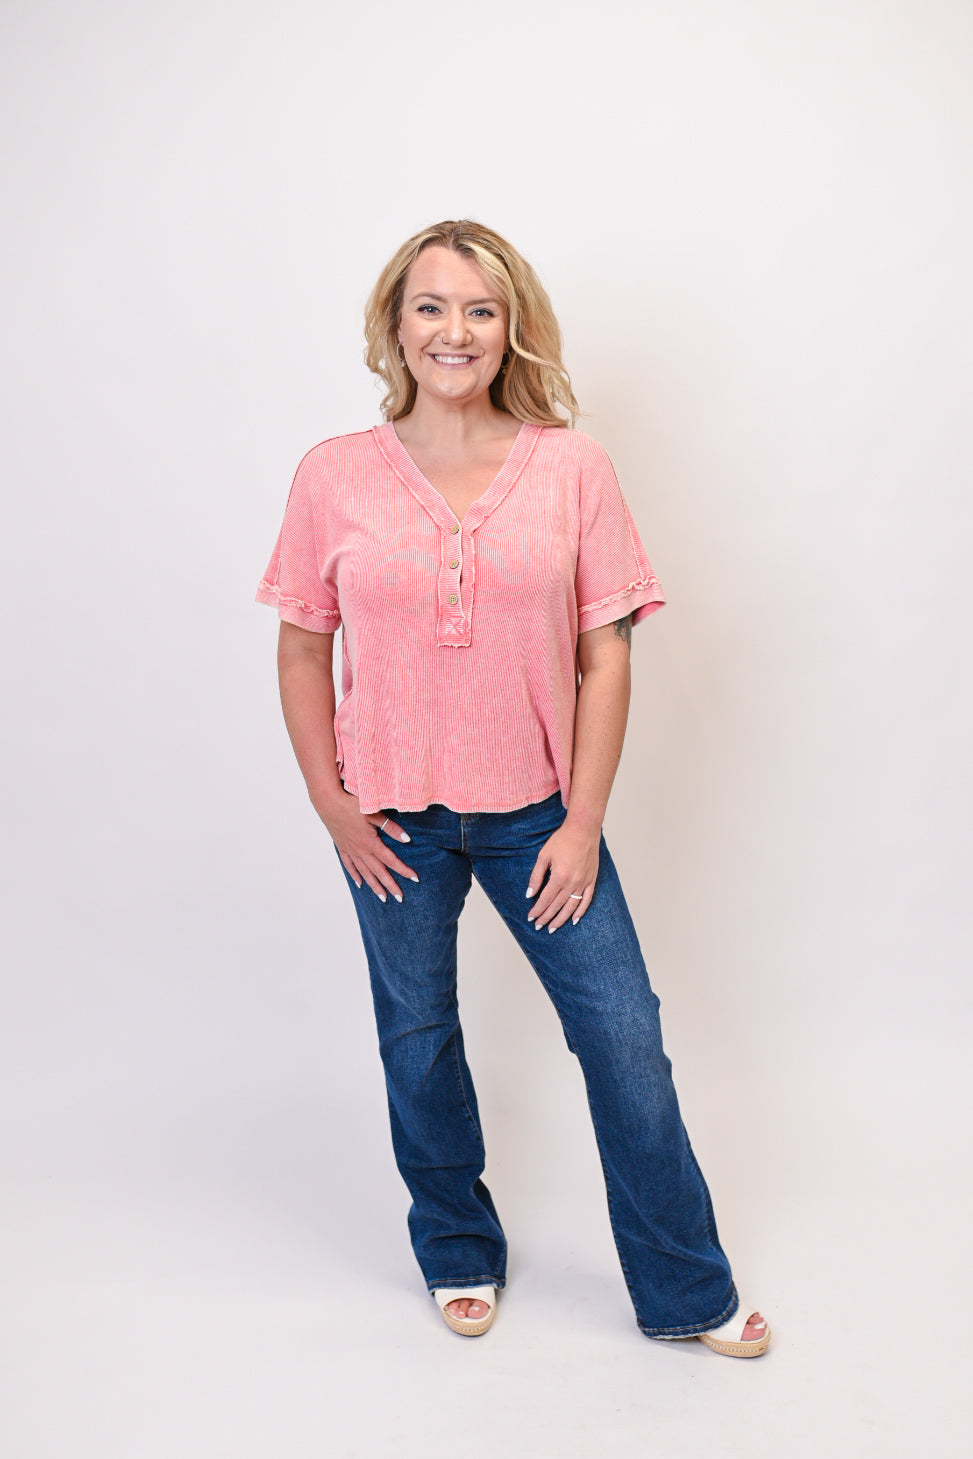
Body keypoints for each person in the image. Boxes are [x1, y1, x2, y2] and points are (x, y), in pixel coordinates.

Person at [256, 220, 770, 1357]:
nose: (456, 331)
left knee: (623, 1036)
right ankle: (455, 1245)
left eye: (480, 309)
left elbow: (606, 655)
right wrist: (332, 804)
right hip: (389, 816)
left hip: (538, 813)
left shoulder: (572, 469)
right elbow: (301, 648)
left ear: (510, 327)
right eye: (431, 306)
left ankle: (685, 1286)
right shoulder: (333, 474)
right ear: (396, 325)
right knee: (418, 1037)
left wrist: (582, 820)